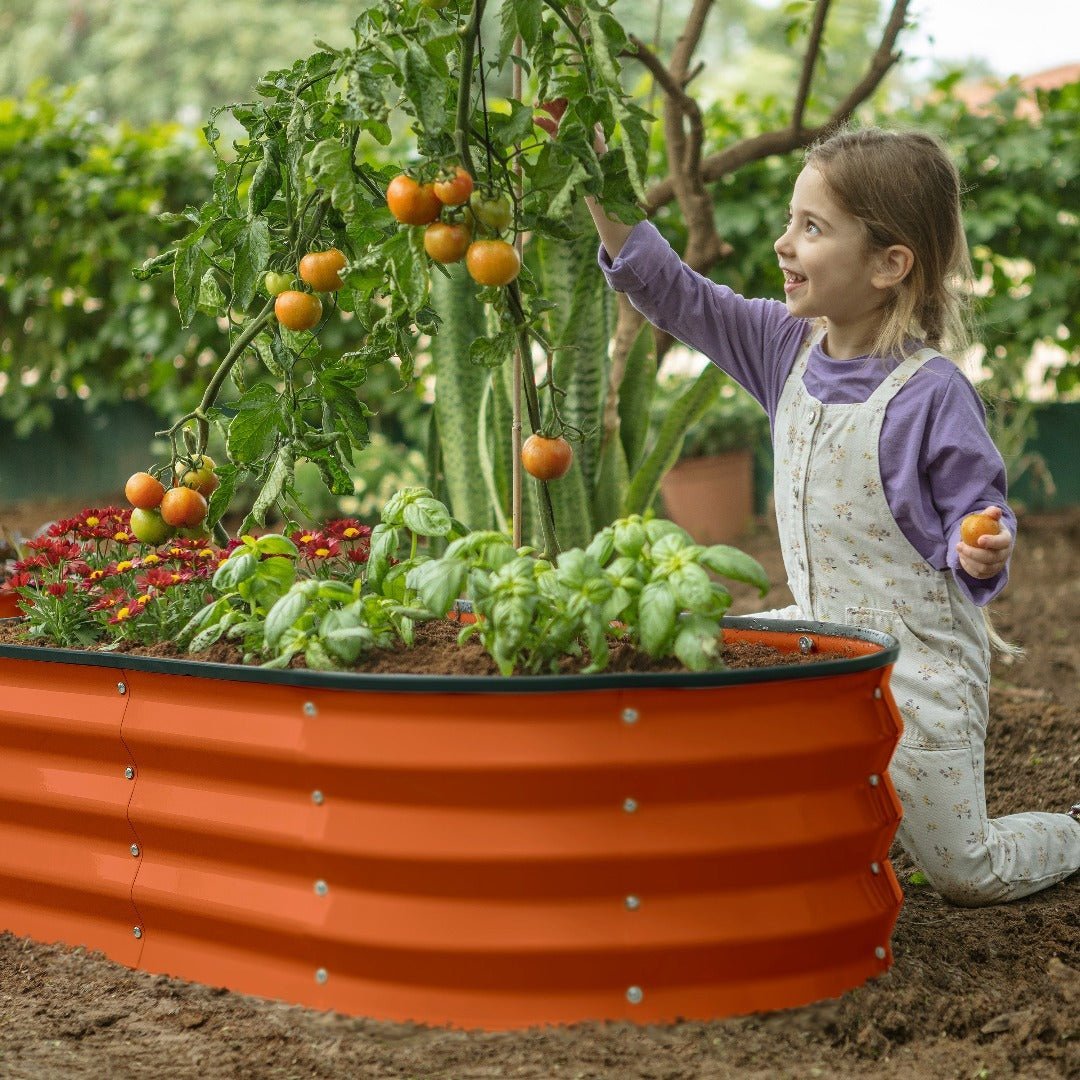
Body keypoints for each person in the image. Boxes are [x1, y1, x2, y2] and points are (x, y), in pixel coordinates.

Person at [587, 125, 1080, 906]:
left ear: (889, 264)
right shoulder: (780, 347)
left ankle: (1072, 829)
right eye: (791, 220)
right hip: (820, 636)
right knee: (690, 661)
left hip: (916, 671)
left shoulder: (932, 394)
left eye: (812, 227)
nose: (783, 243)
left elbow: (978, 514)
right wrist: (594, 171)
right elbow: (672, 289)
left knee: (966, 872)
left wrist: (982, 546)